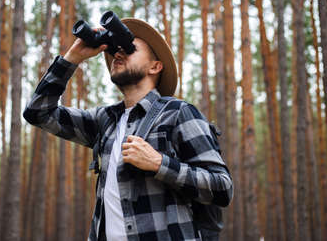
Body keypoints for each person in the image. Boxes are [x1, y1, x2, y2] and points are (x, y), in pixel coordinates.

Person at [23, 17, 233, 241]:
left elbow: (222, 188)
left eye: (130, 48)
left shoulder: (179, 112)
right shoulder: (105, 120)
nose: (118, 54)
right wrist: (71, 58)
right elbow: (38, 112)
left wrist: (160, 164)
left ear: (155, 66)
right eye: (116, 50)